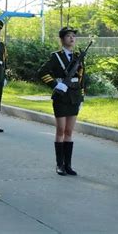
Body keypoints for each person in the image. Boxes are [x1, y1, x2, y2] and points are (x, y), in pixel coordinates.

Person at [38, 27, 85, 176]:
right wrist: (55, 84)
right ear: (62, 39)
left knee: (69, 131)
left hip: (74, 96)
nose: (72, 38)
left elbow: (82, 78)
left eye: (73, 36)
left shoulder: (78, 57)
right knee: (61, 130)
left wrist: (81, 97)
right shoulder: (55, 57)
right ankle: (59, 165)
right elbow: (41, 72)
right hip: (61, 97)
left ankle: (68, 165)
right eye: (68, 36)